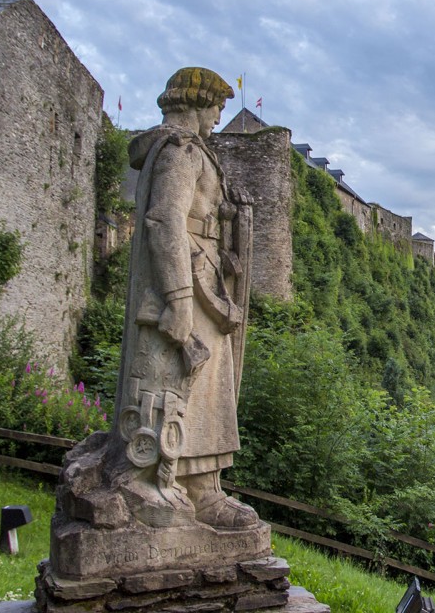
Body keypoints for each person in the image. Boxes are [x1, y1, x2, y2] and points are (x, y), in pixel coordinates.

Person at [113, 66, 257, 529]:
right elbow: (164, 220)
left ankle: (203, 486)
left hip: (205, 278)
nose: (218, 118)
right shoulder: (181, 151)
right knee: (177, 386)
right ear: (195, 104)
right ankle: (160, 483)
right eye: (216, 108)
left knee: (208, 385)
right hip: (188, 283)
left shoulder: (190, 153)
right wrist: (177, 298)